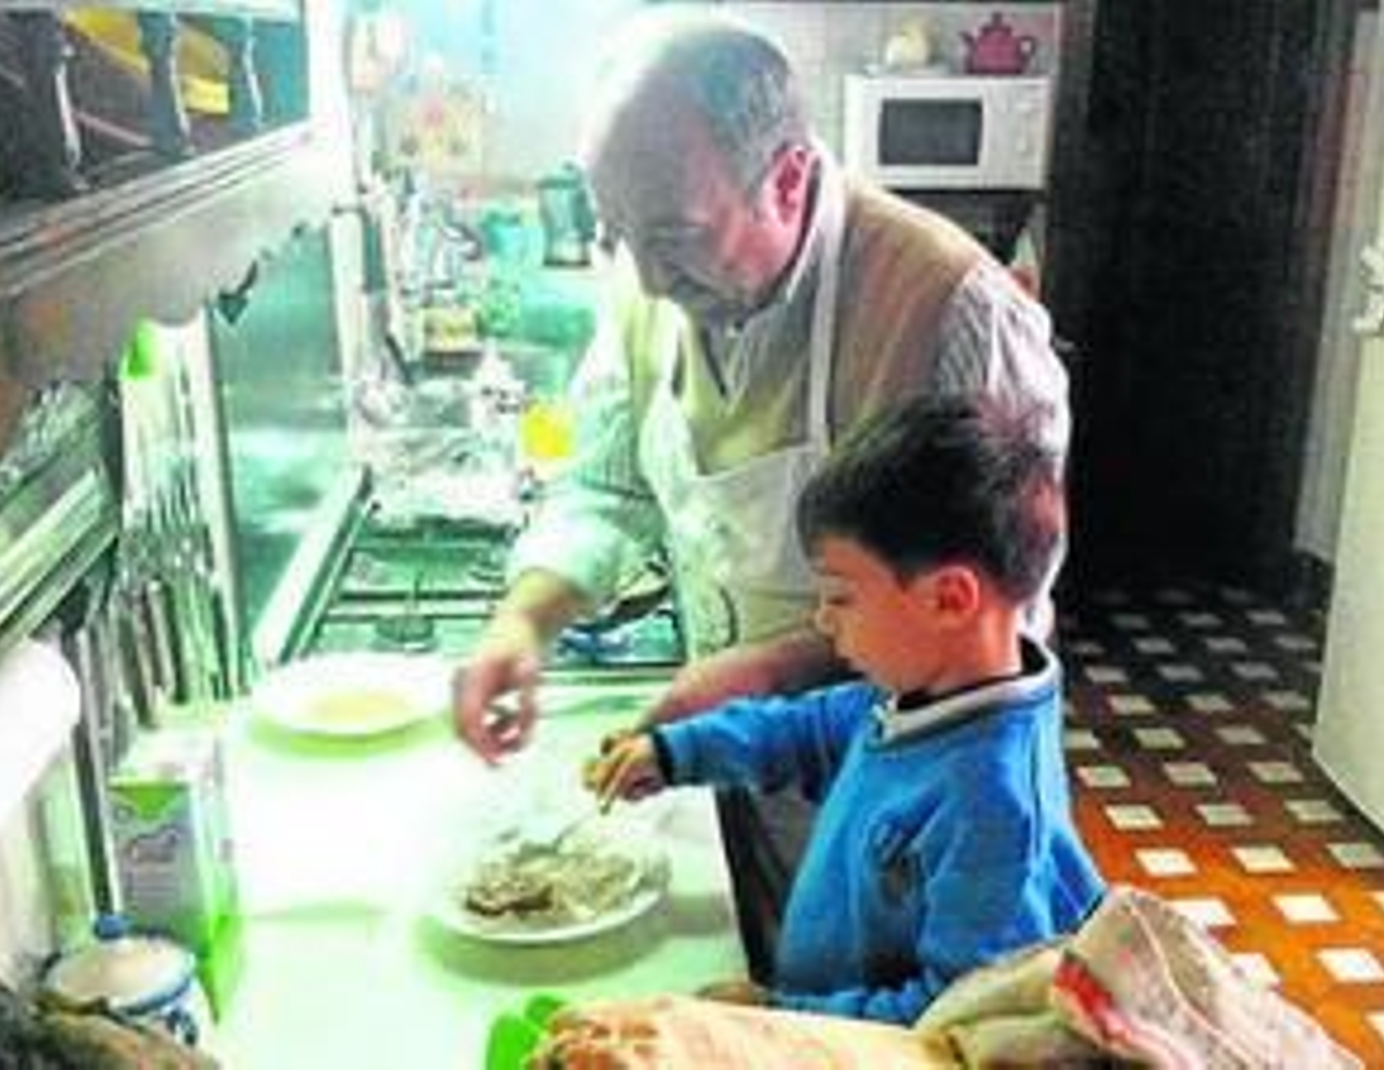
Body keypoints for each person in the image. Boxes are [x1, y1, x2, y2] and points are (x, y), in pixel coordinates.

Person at [451, 9, 1069, 974]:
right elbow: (606, 487)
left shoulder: (947, 305)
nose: (648, 277)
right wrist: (522, 624)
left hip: (898, 786)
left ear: (786, 179)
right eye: (619, 234)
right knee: (777, 963)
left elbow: (994, 614)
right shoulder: (652, 286)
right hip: (740, 744)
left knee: (870, 1002)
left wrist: (768, 673)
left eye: (675, 236)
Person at [582, 395, 1104, 1025]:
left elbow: (956, 1015)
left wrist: (783, 1017)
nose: (822, 620)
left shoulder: (992, 809)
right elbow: (802, 731)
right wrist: (675, 753)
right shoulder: (918, 694)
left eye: (839, 595)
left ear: (949, 599)